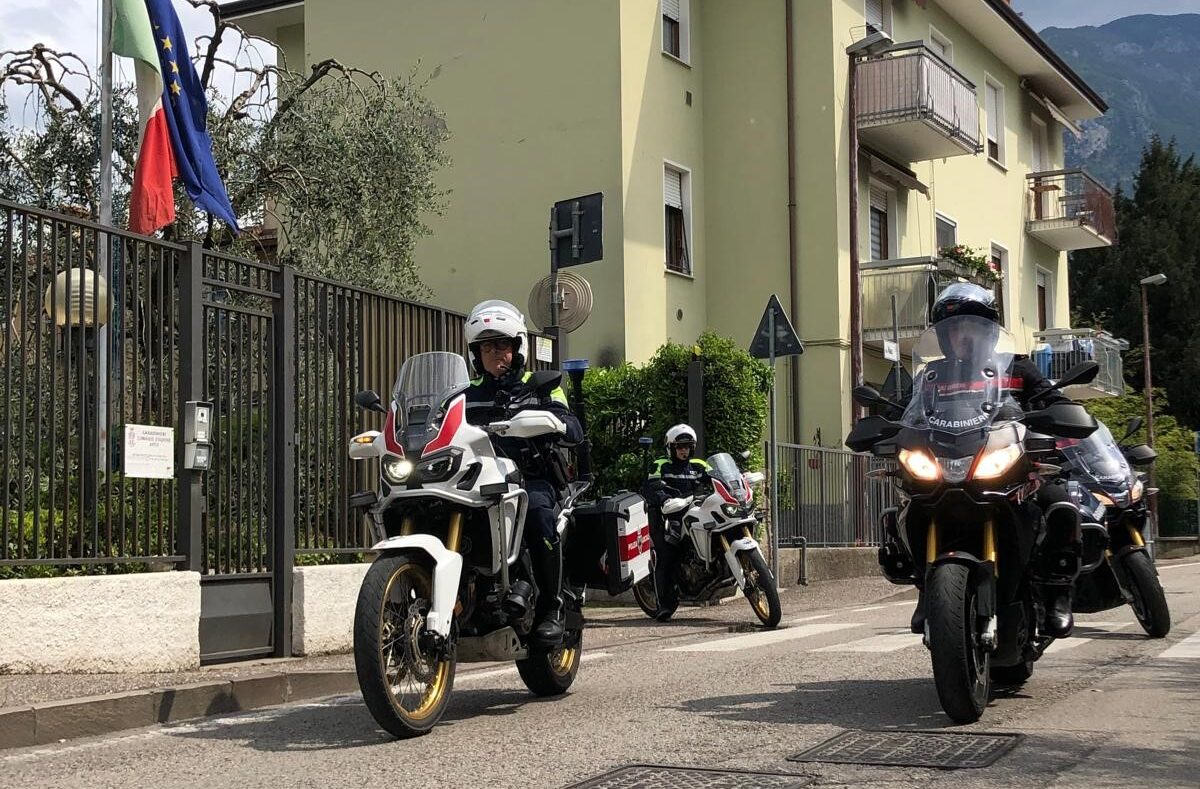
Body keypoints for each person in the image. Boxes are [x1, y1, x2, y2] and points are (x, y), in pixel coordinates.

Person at [902, 283, 1082, 638]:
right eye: (953, 329)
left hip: (1013, 467)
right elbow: (908, 413)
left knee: (1060, 505)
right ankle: (927, 589)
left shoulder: (1019, 368)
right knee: (911, 509)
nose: (961, 336)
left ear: (988, 331)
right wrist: (887, 426)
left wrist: (1058, 416)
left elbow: (1053, 400)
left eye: (970, 327)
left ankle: (1058, 593)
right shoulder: (930, 377)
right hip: (949, 464)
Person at [461, 300, 582, 646]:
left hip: (531, 479)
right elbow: (435, 426)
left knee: (538, 514)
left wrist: (551, 421)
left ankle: (552, 607)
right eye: (486, 346)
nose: (494, 353)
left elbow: (572, 428)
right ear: (475, 354)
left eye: (501, 344)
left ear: (517, 348)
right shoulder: (462, 395)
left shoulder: (540, 387)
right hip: (477, 482)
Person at [641, 424, 711, 621]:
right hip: (668, 516)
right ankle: (664, 603)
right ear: (671, 448)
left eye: (688, 446)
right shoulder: (661, 464)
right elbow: (651, 486)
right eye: (680, 447)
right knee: (667, 555)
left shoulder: (699, 465)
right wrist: (664, 498)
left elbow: (717, 478)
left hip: (694, 512)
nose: (684, 450)